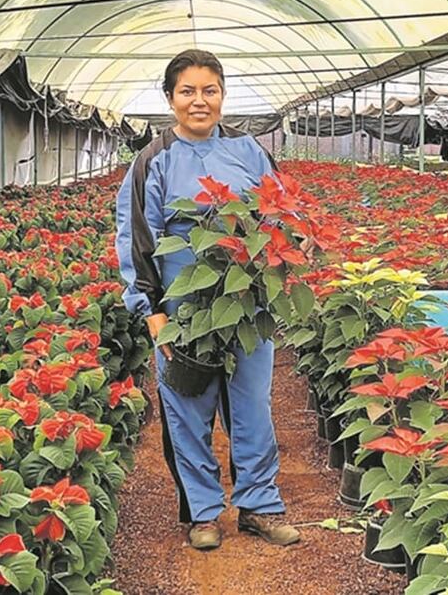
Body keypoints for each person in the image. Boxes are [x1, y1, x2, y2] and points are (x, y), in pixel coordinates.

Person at [114, 49, 300, 551]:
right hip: (182, 311)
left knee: (253, 407)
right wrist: (151, 313)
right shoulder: (152, 161)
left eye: (210, 90)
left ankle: (259, 505)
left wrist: (274, 275)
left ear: (222, 95)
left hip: (246, 304)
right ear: (170, 98)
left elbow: (277, 215)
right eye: (188, 92)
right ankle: (202, 512)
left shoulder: (250, 150)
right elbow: (138, 239)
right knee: (188, 408)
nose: (200, 101)